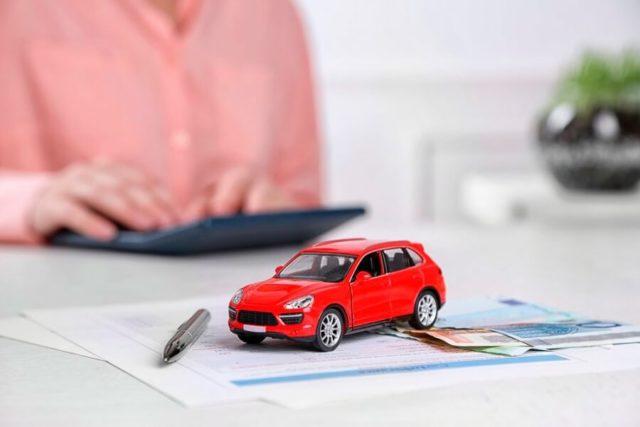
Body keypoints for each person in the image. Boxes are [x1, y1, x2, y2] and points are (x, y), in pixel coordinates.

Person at [0, 0, 320, 244]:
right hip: (55, 298)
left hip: (227, 296)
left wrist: (273, 210)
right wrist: (32, 200)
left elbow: (303, 200)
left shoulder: (273, 12)